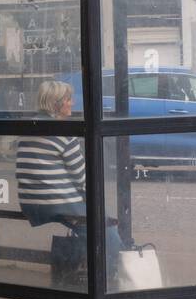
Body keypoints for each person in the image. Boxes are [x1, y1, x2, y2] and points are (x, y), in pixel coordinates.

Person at [16, 80, 119, 271]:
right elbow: (82, 179)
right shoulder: (64, 133)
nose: (72, 103)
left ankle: (86, 268)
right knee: (107, 229)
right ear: (56, 104)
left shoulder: (29, 128)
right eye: (68, 100)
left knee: (88, 223)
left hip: (30, 202)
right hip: (55, 203)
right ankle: (111, 279)